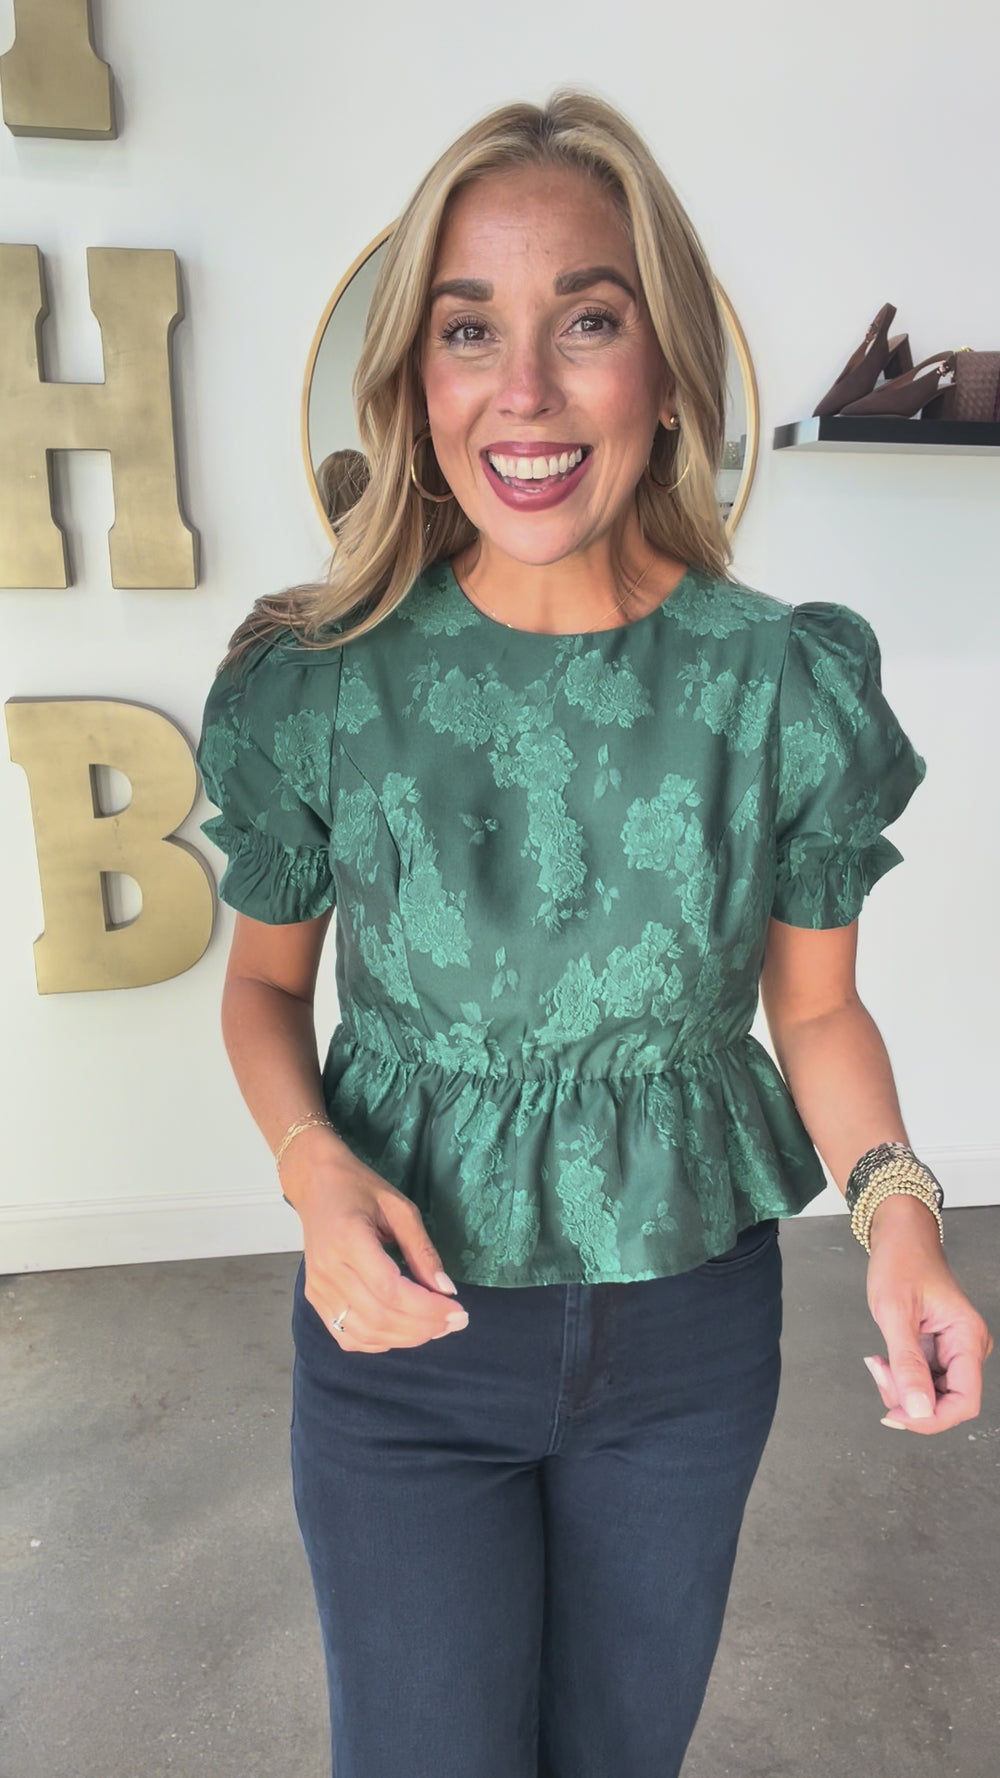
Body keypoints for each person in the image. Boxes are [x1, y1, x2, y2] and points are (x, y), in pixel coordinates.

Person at [196, 90, 992, 1778]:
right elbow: (264, 986)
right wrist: (314, 1170)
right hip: (405, 1338)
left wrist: (901, 1220)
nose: (526, 390)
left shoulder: (779, 684)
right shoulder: (318, 682)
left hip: (688, 1343)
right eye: (469, 327)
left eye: (588, 320)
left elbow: (817, 1012)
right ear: (417, 381)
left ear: (668, 368)